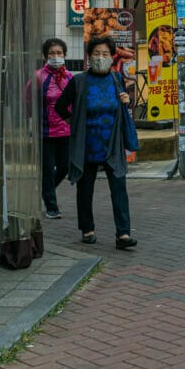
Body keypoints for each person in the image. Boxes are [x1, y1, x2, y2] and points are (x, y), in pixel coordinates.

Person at [56, 35, 137, 249]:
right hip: (87, 144)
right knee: (85, 188)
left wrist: (127, 101)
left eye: (105, 54)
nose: (101, 57)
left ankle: (123, 234)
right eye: (96, 54)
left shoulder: (117, 79)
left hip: (112, 143)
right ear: (89, 57)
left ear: (112, 57)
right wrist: (74, 124)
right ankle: (87, 229)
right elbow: (60, 107)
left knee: (119, 187)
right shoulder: (79, 81)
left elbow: (125, 104)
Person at [30, 38, 72, 219]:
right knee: (47, 169)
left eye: (59, 53)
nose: (56, 57)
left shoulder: (70, 77)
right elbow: (27, 101)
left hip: (66, 131)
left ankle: (46, 192)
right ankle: (51, 206)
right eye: (52, 54)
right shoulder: (38, 77)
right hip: (45, 132)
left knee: (64, 167)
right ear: (45, 56)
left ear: (65, 55)